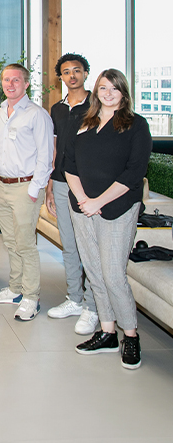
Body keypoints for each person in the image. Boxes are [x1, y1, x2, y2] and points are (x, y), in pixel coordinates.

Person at [66, 69, 152, 369]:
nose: (108, 93)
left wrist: (99, 202)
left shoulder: (136, 125)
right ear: (96, 90)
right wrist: (83, 200)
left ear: (123, 92)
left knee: (113, 275)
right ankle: (107, 332)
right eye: (103, 87)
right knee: (95, 273)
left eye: (114, 88)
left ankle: (131, 335)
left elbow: (134, 172)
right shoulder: (83, 122)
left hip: (116, 209)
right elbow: (69, 163)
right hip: (82, 208)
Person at [0, 63, 54, 321]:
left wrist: (35, 189)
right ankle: (15, 289)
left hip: (25, 187)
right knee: (10, 242)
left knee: (26, 244)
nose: (10, 84)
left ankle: (31, 297)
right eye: (6, 80)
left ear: (26, 84)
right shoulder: (1, 111)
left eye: (16, 80)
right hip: (2, 186)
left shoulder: (37, 115)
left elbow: (46, 156)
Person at [45, 53, 98, 334]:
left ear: (86, 73)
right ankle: (75, 299)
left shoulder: (97, 104)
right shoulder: (58, 108)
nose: (72, 76)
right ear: (61, 77)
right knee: (69, 244)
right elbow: (56, 150)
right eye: (66, 72)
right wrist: (51, 185)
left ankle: (92, 306)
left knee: (89, 246)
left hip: (88, 186)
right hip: (63, 183)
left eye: (77, 70)